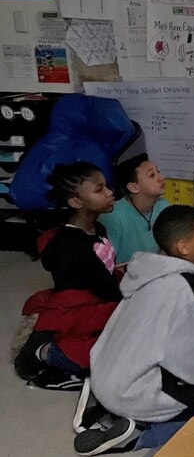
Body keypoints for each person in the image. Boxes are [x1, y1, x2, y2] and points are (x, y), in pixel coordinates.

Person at [75, 205, 194, 456]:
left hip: (104, 376)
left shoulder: (145, 272)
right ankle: (139, 435)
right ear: (184, 248)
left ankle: (109, 413)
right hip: (131, 391)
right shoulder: (189, 292)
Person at [15, 162, 122, 386]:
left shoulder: (97, 229)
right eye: (99, 189)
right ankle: (45, 352)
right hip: (81, 307)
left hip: (100, 297)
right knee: (115, 351)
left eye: (107, 186)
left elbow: (104, 272)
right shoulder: (70, 246)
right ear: (76, 202)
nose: (109, 192)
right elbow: (102, 285)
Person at [99, 153, 168, 264]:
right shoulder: (113, 217)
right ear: (134, 187)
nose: (161, 178)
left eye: (158, 172)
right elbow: (107, 264)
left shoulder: (163, 205)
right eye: (152, 175)